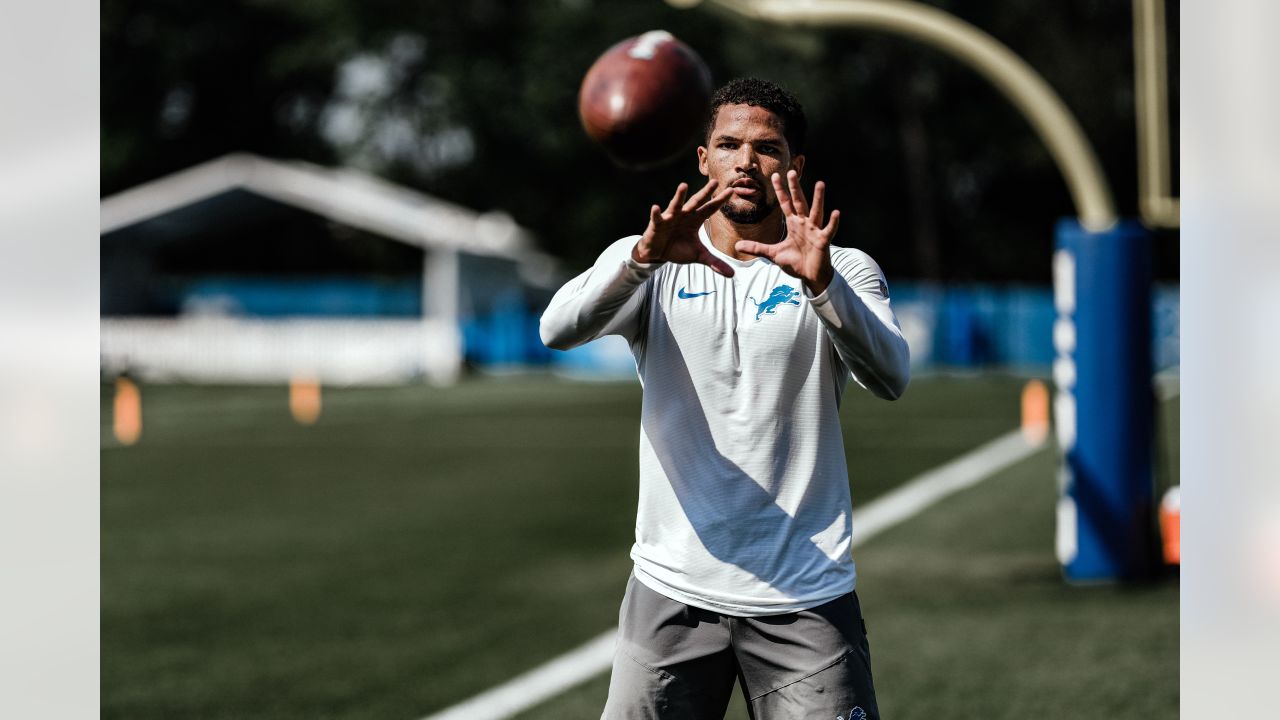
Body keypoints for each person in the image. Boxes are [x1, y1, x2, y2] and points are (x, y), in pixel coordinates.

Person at [540, 77, 909, 720]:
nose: (746, 161)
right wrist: (640, 260)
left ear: (794, 164)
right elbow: (556, 329)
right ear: (703, 159)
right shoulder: (650, 259)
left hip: (805, 595)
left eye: (766, 148)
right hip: (670, 591)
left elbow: (891, 375)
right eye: (729, 144)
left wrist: (821, 284)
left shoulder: (842, 267)